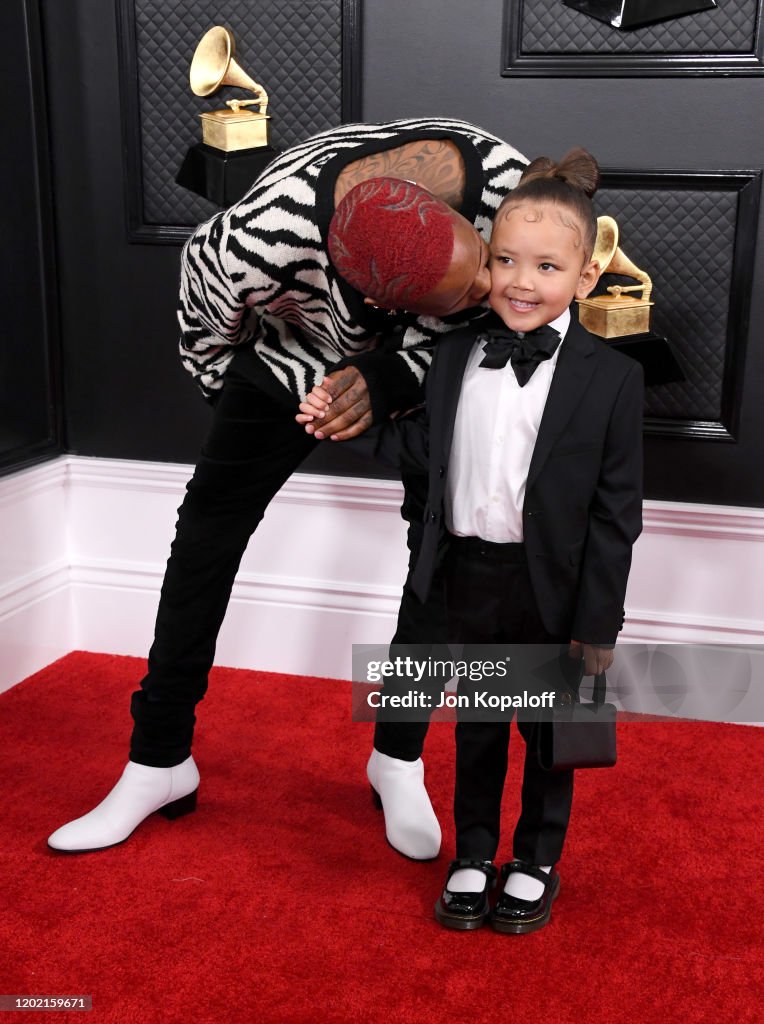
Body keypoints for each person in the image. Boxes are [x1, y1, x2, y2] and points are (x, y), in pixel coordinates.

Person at [47, 118, 527, 857]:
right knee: (205, 533)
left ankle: (396, 757)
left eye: (484, 264)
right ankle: (159, 760)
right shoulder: (259, 239)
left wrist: (392, 373)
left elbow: (511, 312)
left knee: (438, 545)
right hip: (289, 350)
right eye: (471, 286)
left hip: (431, 357)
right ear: (363, 289)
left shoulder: (505, 187)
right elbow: (203, 325)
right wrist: (248, 404)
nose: (493, 284)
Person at [299, 148, 644, 932]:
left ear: (586, 277)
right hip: (469, 578)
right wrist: (340, 429)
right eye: (506, 261)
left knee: (553, 735)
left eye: (548, 266)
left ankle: (536, 859)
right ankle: (475, 851)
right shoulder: (453, 357)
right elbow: (425, 458)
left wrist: (599, 624)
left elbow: (616, 514)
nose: (523, 282)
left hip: (553, 589)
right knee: (482, 728)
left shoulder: (613, 380)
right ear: (485, 263)